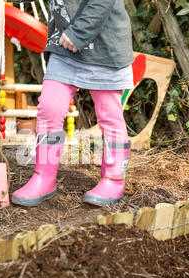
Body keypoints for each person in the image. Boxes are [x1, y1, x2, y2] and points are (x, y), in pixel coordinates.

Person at [12, 0, 135, 207]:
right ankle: (44, 176)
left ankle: (114, 179)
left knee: (109, 114)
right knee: (49, 108)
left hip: (104, 49)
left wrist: (79, 33)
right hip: (64, 48)